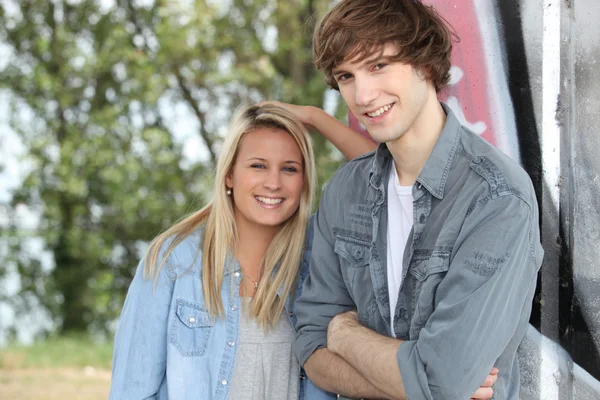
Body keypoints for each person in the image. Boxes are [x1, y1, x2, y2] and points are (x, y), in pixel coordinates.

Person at [292, 1, 544, 400]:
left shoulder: (496, 198)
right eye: (346, 76)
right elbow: (310, 345)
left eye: (378, 65)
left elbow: (442, 381)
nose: (363, 94)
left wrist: (343, 332)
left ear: (425, 63)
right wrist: (411, 382)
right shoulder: (344, 193)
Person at [109, 103, 331, 399]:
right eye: (258, 165)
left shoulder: (318, 261)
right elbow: (131, 392)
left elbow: (390, 176)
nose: (274, 183)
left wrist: (316, 118)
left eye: (289, 169)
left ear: (304, 181)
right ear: (229, 175)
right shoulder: (174, 261)